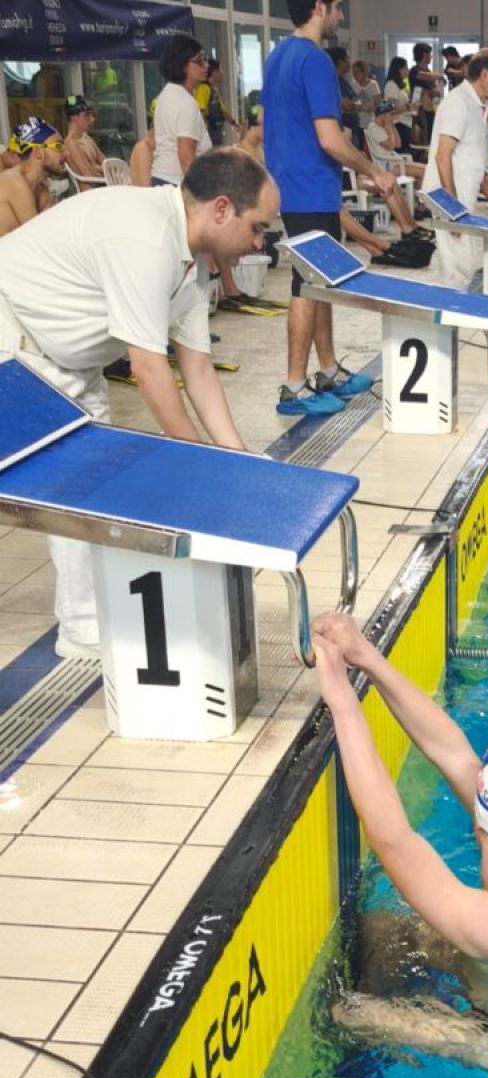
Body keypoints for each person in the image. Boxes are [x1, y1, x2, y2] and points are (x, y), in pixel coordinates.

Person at [0, 149, 279, 659]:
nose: (260, 242)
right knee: (69, 483)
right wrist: (199, 466)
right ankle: (83, 627)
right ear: (221, 209)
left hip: (67, 357)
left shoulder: (192, 263)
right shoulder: (146, 238)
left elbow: (197, 371)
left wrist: (237, 462)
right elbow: (148, 369)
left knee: (88, 487)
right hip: (13, 333)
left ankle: (84, 625)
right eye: (257, 228)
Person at [314, 612, 488, 1078]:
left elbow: (391, 837)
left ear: (485, 824)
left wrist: (342, 701)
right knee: (385, 927)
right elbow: (453, 753)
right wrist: (366, 657)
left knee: (350, 1012)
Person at [262, 0, 397, 417]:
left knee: (318, 283)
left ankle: (327, 370)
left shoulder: (278, 56)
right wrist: (374, 171)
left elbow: (275, 125)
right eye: (337, 7)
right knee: (305, 286)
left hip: (293, 185)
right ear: (319, 6)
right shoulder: (316, 60)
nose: (340, 15)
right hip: (310, 187)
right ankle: (293, 388)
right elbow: (329, 139)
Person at [423, 48, 488, 290]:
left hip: (461, 200)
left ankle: (453, 307)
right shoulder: (458, 103)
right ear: (484, 74)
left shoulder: (477, 106)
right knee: (456, 272)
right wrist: (452, 209)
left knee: (463, 267)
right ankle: (446, 310)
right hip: (449, 200)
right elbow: (443, 156)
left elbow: (472, 160)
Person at [152, 35, 211, 186]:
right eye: (200, 61)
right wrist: (202, 192)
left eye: (205, 59)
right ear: (183, 65)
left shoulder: (167, 94)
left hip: (161, 180)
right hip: (177, 184)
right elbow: (186, 159)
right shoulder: (186, 104)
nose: (206, 66)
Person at [0, 118, 65, 237]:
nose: (66, 154)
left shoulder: (43, 192)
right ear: (38, 152)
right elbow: (37, 238)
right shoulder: (14, 181)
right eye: (57, 146)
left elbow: (49, 235)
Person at [365, 100, 425, 184]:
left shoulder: (383, 126)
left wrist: (391, 125)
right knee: (425, 171)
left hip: (394, 163)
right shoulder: (373, 128)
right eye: (391, 114)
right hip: (387, 166)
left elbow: (398, 144)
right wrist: (389, 128)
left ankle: (418, 192)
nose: (393, 117)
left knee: (423, 174)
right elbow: (391, 146)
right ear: (383, 115)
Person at [194, 58, 239, 147]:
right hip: (209, 135)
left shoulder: (213, 90)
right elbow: (200, 112)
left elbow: (223, 111)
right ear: (214, 72)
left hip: (216, 133)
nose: (222, 73)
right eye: (220, 70)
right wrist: (204, 136)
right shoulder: (203, 89)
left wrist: (234, 123)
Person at [63, 96, 104, 187]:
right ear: (73, 117)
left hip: (102, 186)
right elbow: (90, 177)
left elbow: (106, 163)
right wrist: (101, 169)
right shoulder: (71, 144)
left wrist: (97, 168)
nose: (92, 119)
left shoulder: (86, 138)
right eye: (86, 115)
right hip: (91, 191)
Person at [326, 46, 363, 148]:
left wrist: (353, 105)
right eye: (348, 58)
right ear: (340, 61)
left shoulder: (344, 81)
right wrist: (353, 105)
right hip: (343, 130)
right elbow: (346, 105)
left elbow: (358, 102)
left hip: (353, 128)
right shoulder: (332, 81)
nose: (350, 61)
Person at [410, 42, 446, 144]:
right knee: (422, 138)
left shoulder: (429, 72)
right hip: (420, 112)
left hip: (431, 110)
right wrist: (439, 76)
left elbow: (437, 92)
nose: (431, 56)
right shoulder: (414, 71)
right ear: (424, 55)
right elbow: (422, 76)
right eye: (429, 54)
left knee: (431, 137)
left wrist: (429, 92)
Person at [383, 56, 415, 152]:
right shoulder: (391, 85)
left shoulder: (399, 85)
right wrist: (408, 107)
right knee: (401, 153)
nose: (407, 71)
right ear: (399, 69)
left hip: (405, 123)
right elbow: (391, 109)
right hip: (398, 125)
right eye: (406, 68)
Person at [350, 60, 381, 135]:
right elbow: (353, 103)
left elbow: (378, 103)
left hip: (370, 122)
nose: (354, 75)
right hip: (356, 122)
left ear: (364, 72)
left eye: (357, 72)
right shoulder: (353, 85)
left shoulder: (373, 84)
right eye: (353, 73)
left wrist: (370, 107)